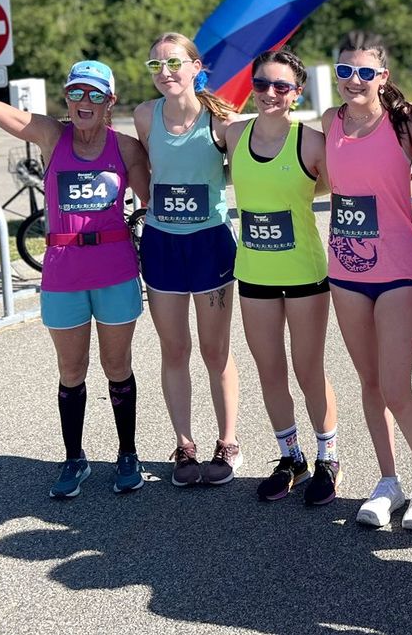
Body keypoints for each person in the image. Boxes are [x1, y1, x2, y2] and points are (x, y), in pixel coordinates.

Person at [0, 15, 149, 499]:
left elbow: (154, 199)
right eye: (76, 93)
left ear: (110, 102)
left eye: (95, 94)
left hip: (115, 268)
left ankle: (127, 454)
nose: (84, 103)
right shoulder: (48, 136)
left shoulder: (126, 147)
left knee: (116, 366)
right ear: (66, 98)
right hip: (63, 273)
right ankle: (74, 458)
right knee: (72, 370)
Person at [322, 31, 412, 530]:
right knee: (370, 382)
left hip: (396, 269)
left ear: (383, 77)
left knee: (395, 384)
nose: (355, 81)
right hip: (344, 271)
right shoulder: (329, 122)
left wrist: (403, 191)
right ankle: (388, 480)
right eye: (346, 72)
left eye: (365, 72)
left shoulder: (404, 123)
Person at [224, 47, 341, 506]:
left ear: (297, 93)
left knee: (307, 369)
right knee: (270, 370)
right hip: (254, 273)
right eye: (261, 85)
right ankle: (290, 457)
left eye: (281, 87)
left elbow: (331, 184)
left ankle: (328, 458)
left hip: (304, 273)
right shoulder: (234, 134)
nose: (269, 94)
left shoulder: (310, 141)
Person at [133, 32, 241, 486]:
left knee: (216, 350)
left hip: (210, 243)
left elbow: (244, 174)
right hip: (162, 244)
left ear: (197, 68)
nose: (165, 73)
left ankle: (229, 441)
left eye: (174, 63)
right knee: (174, 349)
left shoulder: (222, 120)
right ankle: (184, 443)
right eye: (156, 65)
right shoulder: (144, 116)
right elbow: (147, 175)